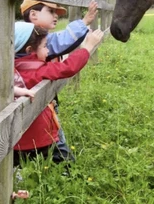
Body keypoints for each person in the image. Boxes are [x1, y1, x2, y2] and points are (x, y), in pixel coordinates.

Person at [13, 21, 103, 165]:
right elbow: (68, 67)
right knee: (68, 165)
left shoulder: (13, 70)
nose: (48, 51)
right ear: (30, 51)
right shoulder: (35, 71)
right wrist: (88, 47)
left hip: (17, 140)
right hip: (40, 136)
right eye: (44, 47)